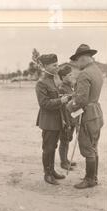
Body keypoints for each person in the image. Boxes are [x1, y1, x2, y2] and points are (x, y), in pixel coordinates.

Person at [66, 44, 104, 189]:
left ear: (82, 59)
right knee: (94, 147)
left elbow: (81, 100)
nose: (77, 64)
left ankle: (89, 179)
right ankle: (93, 176)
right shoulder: (97, 71)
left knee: (87, 147)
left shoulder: (84, 74)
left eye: (77, 60)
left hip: (87, 114)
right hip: (96, 113)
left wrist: (69, 105)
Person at [35, 54, 71, 185]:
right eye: (54, 65)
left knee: (53, 147)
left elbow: (55, 98)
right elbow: (44, 103)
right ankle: (47, 174)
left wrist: (62, 98)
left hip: (56, 120)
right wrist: (61, 100)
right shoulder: (41, 83)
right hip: (48, 121)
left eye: (57, 64)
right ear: (45, 66)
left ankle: (52, 171)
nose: (57, 67)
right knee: (48, 148)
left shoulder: (53, 80)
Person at [57, 64, 78, 170]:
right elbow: (62, 107)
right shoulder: (61, 89)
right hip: (66, 119)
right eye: (69, 75)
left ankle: (66, 159)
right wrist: (65, 121)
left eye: (71, 74)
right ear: (63, 77)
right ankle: (63, 162)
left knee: (68, 139)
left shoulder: (70, 87)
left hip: (72, 118)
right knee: (64, 140)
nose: (71, 77)